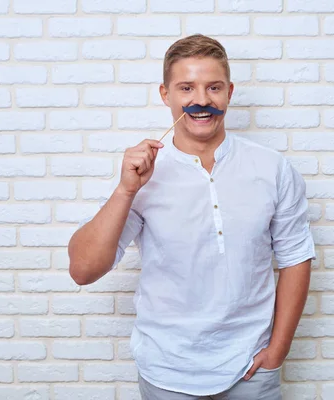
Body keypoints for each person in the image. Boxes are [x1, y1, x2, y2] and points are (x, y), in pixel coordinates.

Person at [68, 34, 315, 400]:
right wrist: (125, 191)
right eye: (186, 87)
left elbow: (296, 258)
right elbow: (83, 270)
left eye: (213, 87)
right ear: (165, 94)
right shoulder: (141, 176)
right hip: (167, 372)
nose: (201, 100)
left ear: (229, 92)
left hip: (251, 370)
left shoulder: (273, 168)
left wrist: (277, 351)